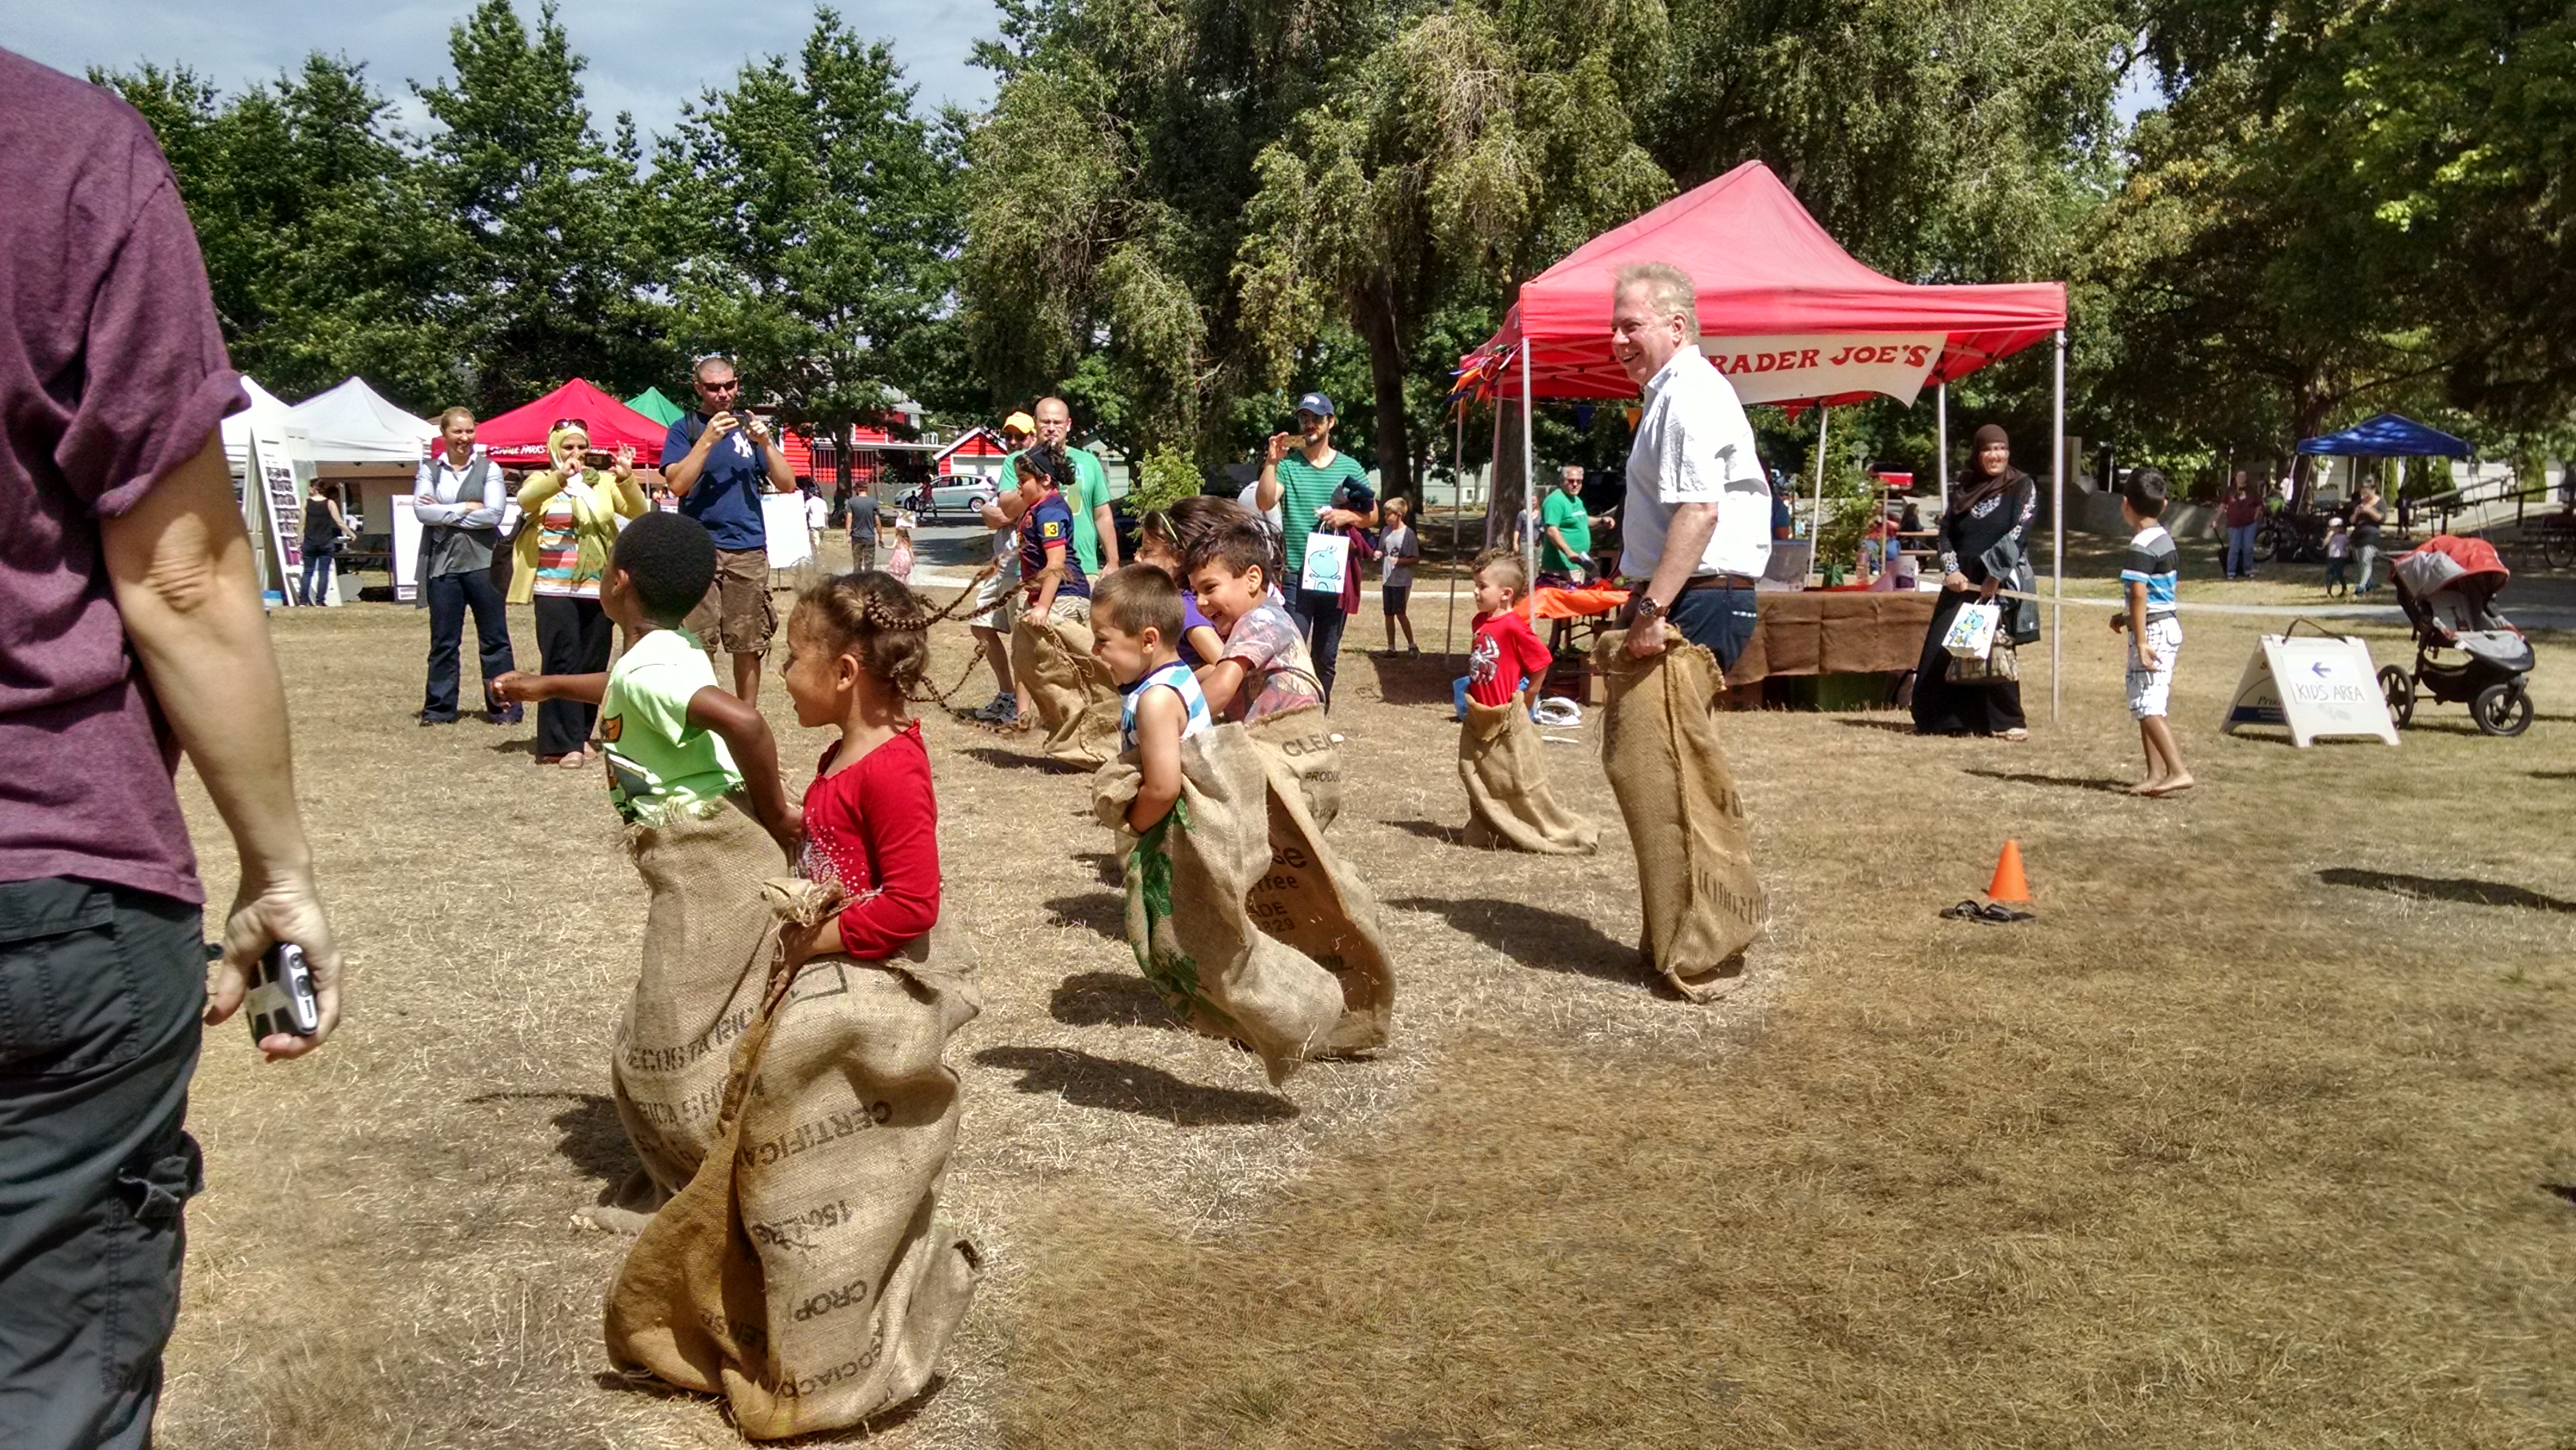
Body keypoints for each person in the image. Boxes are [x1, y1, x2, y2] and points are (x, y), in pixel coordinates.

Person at [1, 48, 343, 1445]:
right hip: (46, 880)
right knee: (43, 1378)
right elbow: (182, 573)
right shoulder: (62, 154)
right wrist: (280, 873)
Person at [491, 513, 799, 854]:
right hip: (699, 826)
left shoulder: (650, 669)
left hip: (698, 837)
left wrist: (777, 814)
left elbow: (746, 722)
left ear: (618, 581)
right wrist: (550, 686)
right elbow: (627, 687)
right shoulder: (674, 644)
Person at [773, 572, 943, 971]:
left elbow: (912, 904)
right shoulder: (842, 755)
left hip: (855, 974)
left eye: (793, 657)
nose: (783, 671)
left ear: (845, 673)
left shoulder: (891, 771)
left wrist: (805, 943)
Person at [1607, 262, 1771, 670]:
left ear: (1676, 327)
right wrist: (1642, 597)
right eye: (1615, 328)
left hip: (1701, 598)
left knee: (1668, 716)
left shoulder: (1690, 392)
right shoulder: (1670, 394)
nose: (1617, 340)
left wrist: (1653, 609)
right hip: (1688, 595)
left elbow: (1700, 512)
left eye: (1631, 326)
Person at [507, 420, 646, 767]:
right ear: (555, 449)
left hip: (598, 587)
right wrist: (561, 477)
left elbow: (640, 513)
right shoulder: (542, 480)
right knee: (561, 660)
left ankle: (581, 735)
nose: (576, 454)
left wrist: (627, 478)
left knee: (592, 662)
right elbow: (525, 501)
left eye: (582, 448)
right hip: (554, 587)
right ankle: (561, 744)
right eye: (568, 447)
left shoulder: (602, 483)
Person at [661, 355, 795, 705]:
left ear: (738, 384)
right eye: (713, 387)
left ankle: (745, 719)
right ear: (698, 388)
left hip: (747, 548)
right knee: (698, 642)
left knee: (748, 643)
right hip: (699, 549)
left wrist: (766, 443)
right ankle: (705, 715)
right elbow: (677, 485)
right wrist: (707, 440)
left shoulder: (749, 427)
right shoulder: (684, 428)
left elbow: (787, 484)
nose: (723, 393)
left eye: (729, 385)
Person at [1911, 423, 2038, 739]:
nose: (1996, 456)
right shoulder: (1965, 486)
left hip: (1997, 579)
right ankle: (1947, 720)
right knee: (1944, 648)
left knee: (1992, 649)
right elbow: (1946, 532)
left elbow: (2019, 532)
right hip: (1960, 580)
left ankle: (2007, 721)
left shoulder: (2022, 486)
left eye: (2001, 449)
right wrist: (1951, 570)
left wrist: (1994, 575)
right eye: (1988, 449)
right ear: (1978, 453)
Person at [1253, 391, 1376, 705]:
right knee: (1291, 654)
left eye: (1317, 419)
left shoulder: (1350, 467)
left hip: (1334, 577)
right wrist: (1272, 461)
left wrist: (1347, 516)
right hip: (1296, 575)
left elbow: (1373, 515)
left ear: (1330, 422)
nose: (1310, 424)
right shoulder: (1288, 466)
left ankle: (1319, 715)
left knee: (1325, 657)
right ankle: (1291, 715)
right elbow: (1264, 501)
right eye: (1304, 419)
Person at [413, 405, 519, 726]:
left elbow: (494, 515)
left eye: (470, 431)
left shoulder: (490, 468)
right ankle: (439, 710)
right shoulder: (429, 470)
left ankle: (505, 708)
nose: (464, 437)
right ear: (444, 434)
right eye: (457, 431)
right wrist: (466, 507)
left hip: (484, 564)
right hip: (443, 567)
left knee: (495, 640)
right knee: (443, 643)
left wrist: (444, 512)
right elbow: (421, 512)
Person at [1090, 566, 1213, 835]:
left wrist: (1131, 829)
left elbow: (1162, 790)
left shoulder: (1157, 699)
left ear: (1148, 641)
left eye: (1102, 640)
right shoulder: (1174, 675)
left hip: (1179, 836)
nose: (1094, 650)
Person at [1186, 520, 1325, 723]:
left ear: (1252, 579)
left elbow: (1221, 688)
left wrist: (1174, 723)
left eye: (1209, 588)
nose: (1200, 602)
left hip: (1284, 738)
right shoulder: (1269, 617)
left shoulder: (1260, 620)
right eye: (1195, 592)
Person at [2110, 467, 2192, 797]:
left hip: (2153, 632)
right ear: (2165, 504)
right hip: (2163, 624)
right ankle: (2155, 774)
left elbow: (2140, 594)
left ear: (2125, 504)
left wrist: (2142, 641)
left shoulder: (2141, 544)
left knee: (2148, 704)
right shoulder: (2163, 538)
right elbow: (2159, 593)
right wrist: (2126, 618)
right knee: (2148, 702)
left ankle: (2178, 771)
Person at [965, 411, 1038, 726]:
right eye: (1009, 436)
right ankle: (1007, 694)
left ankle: (1023, 709)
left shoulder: (1035, 469)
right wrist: (992, 510)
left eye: (1020, 436)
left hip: (1022, 568)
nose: (1014, 442)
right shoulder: (1010, 468)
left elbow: (1005, 512)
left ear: (1033, 437)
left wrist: (1000, 511)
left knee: (1022, 641)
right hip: (1000, 564)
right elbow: (992, 515)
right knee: (980, 625)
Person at [1134, 496, 1236, 671]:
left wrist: (1178, 682)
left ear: (1178, 558)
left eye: (1148, 551)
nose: (1138, 558)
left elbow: (1220, 665)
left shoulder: (1184, 608)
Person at [1035, 396, 1118, 577]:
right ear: (1035, 423)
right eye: (1045, 422)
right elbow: (1007, 509)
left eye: (1058, 422)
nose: (1051, 428)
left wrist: (1113, 562)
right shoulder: (1021, 462)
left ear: (1068, 425)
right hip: (1035, 568)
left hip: (1083, 568)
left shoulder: (1089, 462)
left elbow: (1102, 515)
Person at [1466, 549, 1550, 718]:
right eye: (1476, 585)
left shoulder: (1513, 626)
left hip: (1505, 713)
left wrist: (1528, 697)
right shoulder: (1479, 621)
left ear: (1506, 594)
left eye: (1483, 586)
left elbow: (1542, 661)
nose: (1475, 591)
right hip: (1479, 711)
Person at [1013, 446, 1091, 625]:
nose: (1019, 486)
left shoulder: (1051, 513)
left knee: (1046, 644)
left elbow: (1056, 562)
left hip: (1064, 596)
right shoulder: (1038, 508)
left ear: (1046, 480)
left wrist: (1043, 606)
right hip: (1045, 596)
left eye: (1023, 480)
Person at [1541, 465, 1606, 586]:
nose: (1575, 485)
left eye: (1579, 481)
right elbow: (1552, 530)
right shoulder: (1555, 501)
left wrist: (1601, 521)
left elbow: (1583, 520)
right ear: (1562, 481)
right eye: (1571, 481)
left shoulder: (1576, 499)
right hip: (1561, 569)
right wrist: (1569, 552)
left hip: (1578, 565)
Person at [298, 479, 353, 606]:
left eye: (309, 487)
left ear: (314, 488)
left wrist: (298, 539)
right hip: (326, 542)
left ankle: (303, 600)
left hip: (310, 541)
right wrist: (351, 534)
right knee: (324, 572)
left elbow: (301, 523)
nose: (308, 489)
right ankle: (320, 601)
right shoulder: (330, 503)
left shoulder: (306, 502)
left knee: (308, 572)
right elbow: (339, 522)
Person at [1379, 496, 1421, 655]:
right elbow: (1382, 549)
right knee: (1388, 614)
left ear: (1399, 515)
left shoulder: (1408, 534)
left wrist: (1400, 561)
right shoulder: (1386, 531)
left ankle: (1412, 645)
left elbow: (1415, 558)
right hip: (1387, 580)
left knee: (1400, 613)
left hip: (1402, 581)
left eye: (1388, 514)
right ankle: (1391, 648)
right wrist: (1378, 553)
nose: (1385, 517)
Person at [2221, 473, 2262, 581]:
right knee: (2234, 548)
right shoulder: (2230, 490)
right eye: (2239, 476)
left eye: (2244, 476)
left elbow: (2259, 504)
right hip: (2234, 523)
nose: (2242, 478)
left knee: (2248, 547)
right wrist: (2215, 519)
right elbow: (2223, 504)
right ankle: (2231, 571)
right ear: (2236, 478)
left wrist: (2255, 516)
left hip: (2249, 523)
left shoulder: (2251, 490)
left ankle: (2248, 570)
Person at [2352, 484, 2386, 594]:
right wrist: (2356, 513)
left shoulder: (2381, 502)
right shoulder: (2360, 503)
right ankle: (2369, 583)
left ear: (2373, 490)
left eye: (2366, 492)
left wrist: (2369, 510)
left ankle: (2361, 587)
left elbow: (2381, 518)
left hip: (2371, 535)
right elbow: (2352, 521)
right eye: (2363, 493)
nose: (2364, 496)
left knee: (2366, 560)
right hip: (2358, 535)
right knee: (2361, 563)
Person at [844, 480, 880, 574]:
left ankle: (857, 581)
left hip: (856, 536)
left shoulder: (852, 502)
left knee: (857, 563)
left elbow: (849, 519)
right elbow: (877, 521)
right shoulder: (873, 502)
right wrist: (881, 536)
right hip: (869, 536)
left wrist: (848, 535)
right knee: (869, 563)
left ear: (858, 489)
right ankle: (868, 581)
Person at [2323, 515, 2352, 596]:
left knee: (2339, 574)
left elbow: (2348, 546)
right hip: (2332, 557)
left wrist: (2347, 553)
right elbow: (2324, 544)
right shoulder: (2330, 536)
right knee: (2330, 574)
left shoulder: (2344, 537)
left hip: (2341, 557)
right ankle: (2329, 592)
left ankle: (2344, 589)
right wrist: (2329, 536)